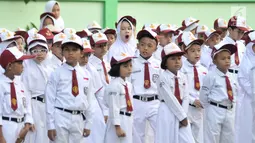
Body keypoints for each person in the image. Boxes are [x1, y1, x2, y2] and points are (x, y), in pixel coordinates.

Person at [45, 34, 93, 142]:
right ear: (62, 52)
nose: (70, 53)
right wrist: (50, 125)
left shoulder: (86, 75)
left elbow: (90, 100)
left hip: (78, 117)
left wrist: (88, 123)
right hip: (61, 115)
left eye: (74, 50)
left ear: (81, 53)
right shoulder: (56, 73)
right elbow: (50, 99)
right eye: (66, 50)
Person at [156, 43, 195, 143]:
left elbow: (186, 97)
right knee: (167, 138)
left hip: (181, 110)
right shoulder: (162, 77)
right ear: (165, 62)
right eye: (173, 59)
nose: (177, 61)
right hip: (167, 110)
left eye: (179, 58)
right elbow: (169, 98)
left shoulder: (183, 76)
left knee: (188, 139)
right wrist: (182, 116)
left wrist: (184, 115)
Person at [200, 42, 238, 143]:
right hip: (215, 109)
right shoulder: (211, 76)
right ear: (215, 61)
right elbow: (203, 96)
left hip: (229, 110)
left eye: (228, 58)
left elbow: (235, 94)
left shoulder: (232, 77)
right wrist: (210, 109)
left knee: (228, 138)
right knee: (212, 137)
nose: (227, 61)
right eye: (223, 58)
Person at [22, 33, 53, 143]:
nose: (39, 54)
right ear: (29, 51)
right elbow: (26, 93)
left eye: (42, 50)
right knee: (34, 137)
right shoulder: (26, 67)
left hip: (48, 107)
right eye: (35, 51)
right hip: (34, 106)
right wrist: (29, 117)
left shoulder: (50, 68)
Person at [130, 28, 160, 143]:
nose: (145, 48)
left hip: (154, 102)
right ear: (138, 46)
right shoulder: (131, 63)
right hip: (137, 102)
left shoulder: (159, 65)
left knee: (160, 129)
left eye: (149, 45)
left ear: (155, 48)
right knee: (138, 134)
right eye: (142, 45)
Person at [0, 47, 35, 143]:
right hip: (7, 126)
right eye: (20, 63)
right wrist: (1, 137)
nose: (22, 66)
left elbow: (27, 105)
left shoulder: (20, 84)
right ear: (10, 65)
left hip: (21, 127)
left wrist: (27, 125)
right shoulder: (1, 84)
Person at [180, 32, 206, 143]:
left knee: (199, 137)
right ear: (185, 53)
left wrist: (203, 100)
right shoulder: (181, 69)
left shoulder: (204, 70)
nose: (197, 53)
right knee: (186, 137)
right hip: (187, 107)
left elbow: (206, 89)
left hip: (200, 108)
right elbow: (181, 89)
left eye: (199, 50)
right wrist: (192, 100)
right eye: (192, 51)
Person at [79, 38, 105, 143]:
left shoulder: (92, 70)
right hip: (77, 108)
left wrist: (105, 112)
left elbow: (99, 93)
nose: (85, 59)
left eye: (88, 55)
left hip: (93, 106)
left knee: (97, 135)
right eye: (83, 55)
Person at [104, 53, 134, 143]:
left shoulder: (128, 84)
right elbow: (114, 107)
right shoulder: (114, 86)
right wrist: (117, 127)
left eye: (130, 65)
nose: (129, 69)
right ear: (117, 68)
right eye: (125, 66)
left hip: (127, 118)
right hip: (118, 119)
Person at [236, 31, 255, 143]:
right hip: (249, 99)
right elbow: (242, 79)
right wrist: (253, 92)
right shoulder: (246, 61)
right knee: (248, 125)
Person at [89, 32, 110, 121]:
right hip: (98, 103)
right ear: (92, 47)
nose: (103, 48)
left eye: (105, 45)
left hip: (109, 101)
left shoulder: (107, 63)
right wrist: (104, 110)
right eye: (100, 46)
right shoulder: (90, 65)